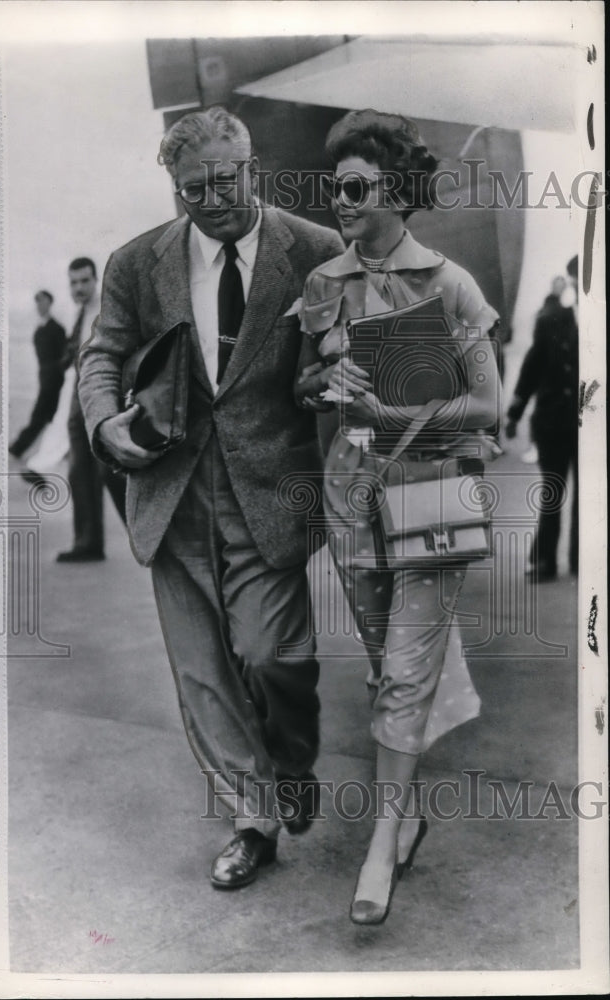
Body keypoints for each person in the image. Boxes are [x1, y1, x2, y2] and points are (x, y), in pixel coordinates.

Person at [77, 107, 344, 888]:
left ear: (251, 167)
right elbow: (103, 357)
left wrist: (332, 379)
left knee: (270, 654)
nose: (212, 199)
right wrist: (103, 424)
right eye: (193, 189)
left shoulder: (316, 253)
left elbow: (344, 349)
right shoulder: (135, 265)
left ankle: (293, 760)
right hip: (170, 489)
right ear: (174, 187)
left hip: (271, 490)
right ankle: (251, 820)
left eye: (225, 180)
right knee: (201, 672)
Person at [295, 110, 501, 925]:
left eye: (354, 186)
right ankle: (405, 811)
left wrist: (394, 415)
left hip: (432, 491)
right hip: (351, 497)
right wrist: (327, 383)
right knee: (386, 669)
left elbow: (487, 403)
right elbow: (302, 388)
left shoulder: (450, 284)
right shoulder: (323, 286)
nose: (339, 201)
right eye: (332, 186)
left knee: (410, 674)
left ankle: (381, 844)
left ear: (398, 192)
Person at [505, 256, 579, 580]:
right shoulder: (551, 319)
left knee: (590, 494)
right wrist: (514, 412)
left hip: (590, 425)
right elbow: (532, 367)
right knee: (553, 489)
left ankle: (583, 560)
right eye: (579, 280)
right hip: (553, 421)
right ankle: (543, 560)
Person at [56, 257, 127, 563]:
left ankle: (150, 537)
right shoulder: (80, 313)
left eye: (85, 281)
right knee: (79, 468)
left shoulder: (105, 309)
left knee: (111, 467)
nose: (79, 287)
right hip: (79, 391)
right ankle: (88, 541)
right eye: (74, 282)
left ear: (95, 280)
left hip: (104, 389)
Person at [9, 290, 66, 458]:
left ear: (50, 303)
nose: (39, 305)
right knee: (50, 416)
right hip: (44, 376)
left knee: (41, 414)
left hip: (54, 379)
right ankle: (53, 451)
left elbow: (63, 356)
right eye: (37, 302)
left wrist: (56, 375)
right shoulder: (39, 328)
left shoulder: (57, 328)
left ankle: (18, 448)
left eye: (42, 301)